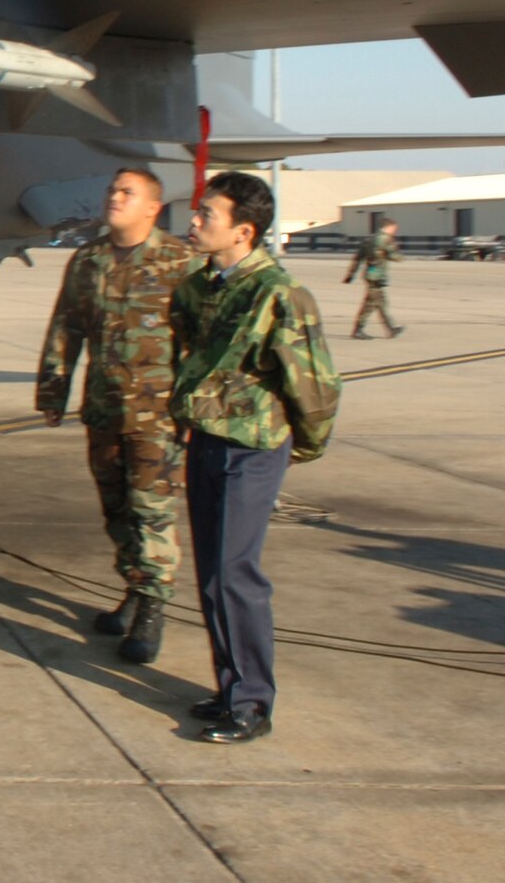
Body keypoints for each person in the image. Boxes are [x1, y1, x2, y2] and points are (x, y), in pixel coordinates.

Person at [171, 171, 341, 744]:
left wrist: (305, 443)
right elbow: (188, 358)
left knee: (236, 573)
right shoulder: (199, 287)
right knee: (213, 575)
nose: (194, 222)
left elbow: (314, 383)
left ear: (243, 231)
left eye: (206, 215)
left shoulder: (280, 295)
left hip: (253, 445)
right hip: (209, 440)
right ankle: (230, 686)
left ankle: (251, 702)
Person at [37, 167, 203, 663]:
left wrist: (197, 411)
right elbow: (66, 328)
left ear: (153, 207)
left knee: (152, 512)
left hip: (159, 417)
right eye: (112, 189)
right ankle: (134, 586)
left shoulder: (181, 261)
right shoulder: (87, 260)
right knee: (115, 510)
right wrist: (53, 391)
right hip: (105, 409)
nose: (115, 197)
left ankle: (153, 608)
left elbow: (201, 343)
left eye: (127, 192)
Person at [343, 219, 402, 339]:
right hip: (377, 276)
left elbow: (357, 258)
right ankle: (359, 330)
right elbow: (396, 257)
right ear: (389, 227)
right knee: (374, 303)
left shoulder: (368, 239)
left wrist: (351, 274)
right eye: (394, 229)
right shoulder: (385, 239)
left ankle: (390, 328)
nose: (394, 231)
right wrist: (395, 250)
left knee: (376, 302)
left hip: (370, 274)